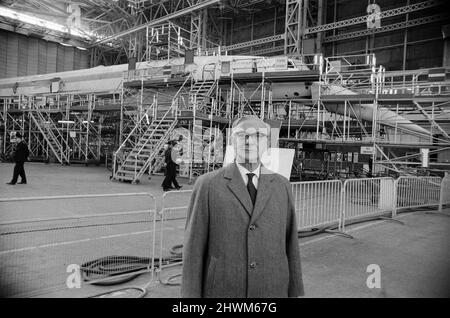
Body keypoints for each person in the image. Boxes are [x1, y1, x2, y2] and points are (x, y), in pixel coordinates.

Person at [181, 115, 304, 298]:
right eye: (242, 135)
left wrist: (296, 292)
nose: (249, 141)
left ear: (267, 143)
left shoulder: (282, 186)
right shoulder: (208, 185)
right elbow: (193, 249)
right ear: (232, 141)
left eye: (258, 136)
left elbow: (291, 245)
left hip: (272, 288)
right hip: (223, 290)